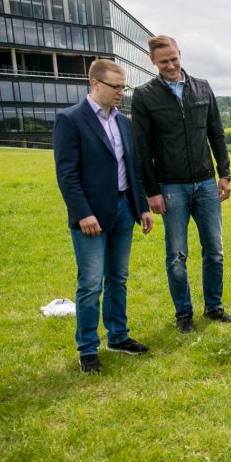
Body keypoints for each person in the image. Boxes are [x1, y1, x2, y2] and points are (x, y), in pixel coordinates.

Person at [54, 59, 153, 372]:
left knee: (118, 279)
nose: (121, 93)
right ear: (94, 84)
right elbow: (66, 174)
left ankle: (118, 336)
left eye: (123, 87)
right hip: (91, 216)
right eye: (115, 87)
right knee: (91, 284)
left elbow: (132, 169)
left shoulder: (124, 122)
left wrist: (142, 207)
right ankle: (87, 349)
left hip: (124, 208)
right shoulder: (70, 119)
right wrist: (83, 213)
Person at [132, 35, 231, 334]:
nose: (171, 65)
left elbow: (216, 134)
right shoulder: (144, 95)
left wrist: (224, 174)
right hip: (170, 186)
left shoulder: (202, 87)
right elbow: (143, 149)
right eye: (163, 61)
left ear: (180, 54)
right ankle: (184, 314)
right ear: (153, 61)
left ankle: (214, 307)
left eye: (174, 59)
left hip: (205, 183)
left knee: (214, 250)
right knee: (177, 254)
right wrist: (152, 191)